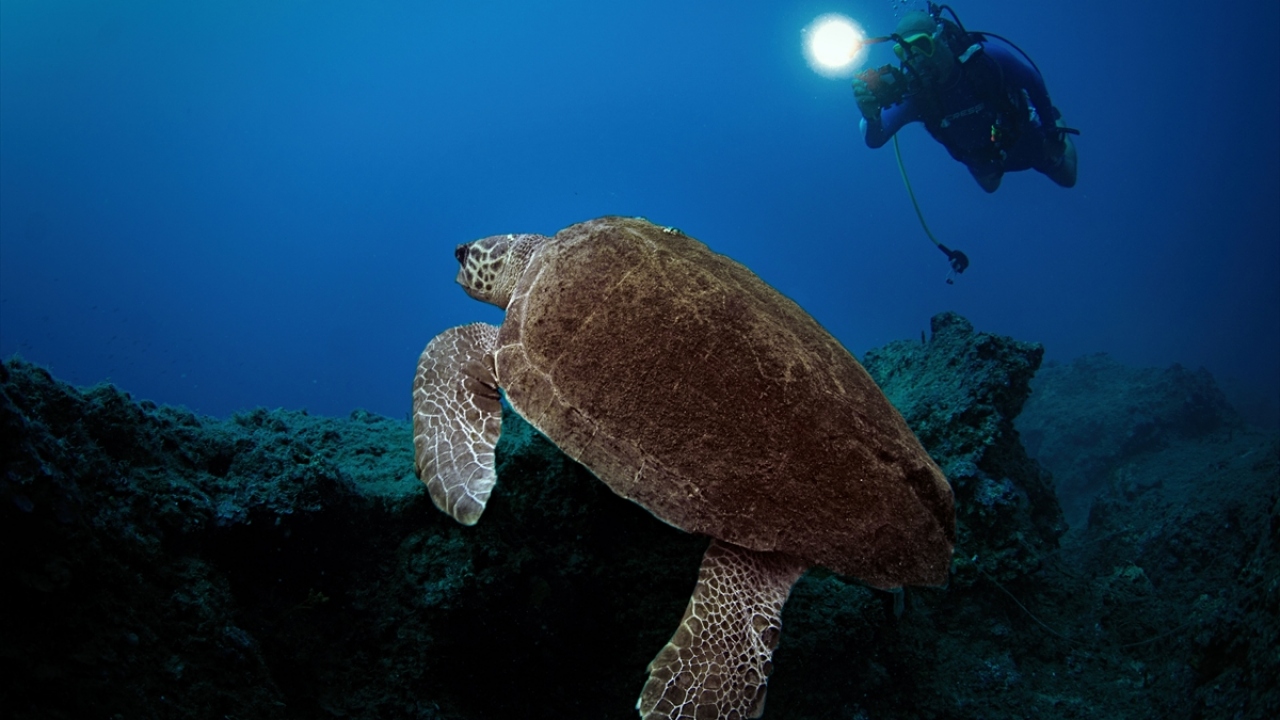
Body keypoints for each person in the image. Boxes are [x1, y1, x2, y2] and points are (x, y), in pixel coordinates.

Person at [854, 9, 1077, 193]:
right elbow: (875, 139)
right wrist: (871, 117)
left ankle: (1056, 119)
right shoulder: (916, 97)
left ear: (941, 39)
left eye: (922, 45)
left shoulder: (985, 61)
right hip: (980, 159)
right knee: (990, 187)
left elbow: (1033, 81)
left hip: (1023, 136)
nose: (917, 58)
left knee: (1067, 178)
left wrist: (1051, 131)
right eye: (905, 52)